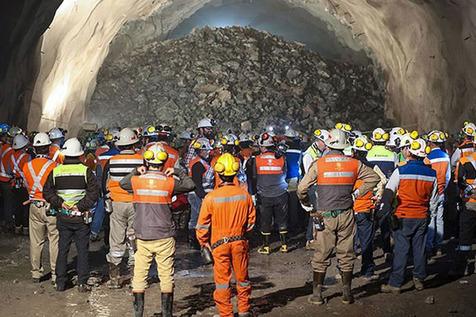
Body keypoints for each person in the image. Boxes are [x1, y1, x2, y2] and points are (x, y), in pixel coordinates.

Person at [297, 129, 380, 305]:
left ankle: (317, 295)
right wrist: (356, 194)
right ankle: (347, 293)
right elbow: (373, 178)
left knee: (322, 254)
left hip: (325, 216)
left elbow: (301, 188)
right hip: (346, 214)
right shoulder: (354, 164)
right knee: (346, 254)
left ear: (328, 144)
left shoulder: (319, 164)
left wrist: (308, 205)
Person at [119, 143, 194, 317]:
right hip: (164, 235)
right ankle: (167, 314)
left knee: (139, 275)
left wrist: (136, 171)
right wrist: (178, 172)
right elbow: (190, 185)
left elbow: (123, 184)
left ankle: (138, 314)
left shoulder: (136, 181)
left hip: (143, 235)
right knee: (166, 275)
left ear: (146, 161)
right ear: (164, 162)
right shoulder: (169, 182)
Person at [196, 153, 256, 317]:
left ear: (218, 173)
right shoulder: (244, 195)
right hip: (240, 243)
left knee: (222, 283)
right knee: (242, 278)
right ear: (235, 173)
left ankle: (226, 314)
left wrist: (203, 242)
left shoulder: (211, 197)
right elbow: (251, 223)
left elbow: (201, 225)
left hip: (218, 245)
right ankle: (243, 310)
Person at [380, 138, 438, 293]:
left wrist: (383, 211)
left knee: (401, 250)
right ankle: (419, 279)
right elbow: (433, 200)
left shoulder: (401, 170)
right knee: (419, 249)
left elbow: (389, 192)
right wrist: (429, 215)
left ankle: (395, 284)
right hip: (422, 216)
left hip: (403, 216)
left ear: (410, 152)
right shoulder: (432, 174)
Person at [43, 138, 99, 292]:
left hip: (63, 216)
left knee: (63, 249)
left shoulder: (55, 171)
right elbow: (94, 193)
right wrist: (80, 206)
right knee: (82, 250)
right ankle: (82, 282)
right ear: (80, 154)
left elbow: (47, 192)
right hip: (80, 217)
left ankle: (60, 282)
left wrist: (60, 203)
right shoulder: (86, 171)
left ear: (64, 154)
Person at [103, 128, 144, 289]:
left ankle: (115, 278)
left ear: (119, 145)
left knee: (116, 239)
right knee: (134, 238)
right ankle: (135, 278)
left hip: (117, 204)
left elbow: (104, 183)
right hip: (136, 203)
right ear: (134, 143)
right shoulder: (141, 160)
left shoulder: (112, 161)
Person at [22, 132, 58, 284]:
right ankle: (56, 274)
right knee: (54, 239)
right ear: (48, 148)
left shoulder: (26, 166)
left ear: (35, 149)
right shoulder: (55, 166)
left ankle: (36, 273)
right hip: (51, 206)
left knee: (36, 241)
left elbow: (27, 185)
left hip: (34, 206)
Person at [247, 132, 289, 254]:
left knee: (266, 220)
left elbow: (254, 177)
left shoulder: (257, 159)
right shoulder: (282, 158)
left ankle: (266, 246)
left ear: (262, 146)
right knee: (282, 220)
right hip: (281, 193)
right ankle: (284, 245)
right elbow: (285, 173)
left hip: (264, 195)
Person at [351, 136, 386, 280]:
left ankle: (344, 271)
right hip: (366, 209)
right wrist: (377, 198)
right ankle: (367, 271)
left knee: (346, 243)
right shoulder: (372, 167)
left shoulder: (349, 166)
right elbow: (382, 181)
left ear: (354, 151)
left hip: (349, 209)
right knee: (366, 243)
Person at [366, 127, 399, 261]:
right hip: (387, 192)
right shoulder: (392, 155)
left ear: (373, 140)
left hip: (371, 192)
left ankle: (366, 252)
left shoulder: (368, 154)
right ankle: (387, 250)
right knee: (385, 222)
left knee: (370, 224)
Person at [450, 135, 476, 276]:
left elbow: (460, 182)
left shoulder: (465, 160)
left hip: (469, 204)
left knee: (465, 237)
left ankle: (463, 268)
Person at [424, 130, 451, 258]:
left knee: (430, 219)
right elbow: (448, 176)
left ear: (431, 142)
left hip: (431, 193)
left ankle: (429, 246)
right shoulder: (446, 156)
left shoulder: (428, 158)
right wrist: (443, 189)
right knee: (440, 219)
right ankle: (439, 245)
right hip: (442, 191)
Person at [187, 137, 213, 249]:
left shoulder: (200, 161)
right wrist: (204, 197)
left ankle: (194, 240)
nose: (208, 153)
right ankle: (195, 241)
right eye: (206, 150)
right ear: (201, 150)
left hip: (197, 194)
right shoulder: (198, 164)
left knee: (195, 218)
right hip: (196, 195)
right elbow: (197, 184)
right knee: (198, 218)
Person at [11, 134, 32, 235]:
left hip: (15, 184)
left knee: (17, 205)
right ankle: (25, 227)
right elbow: (29, 171)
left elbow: (8, 170)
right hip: (24, 184)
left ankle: (17, 226)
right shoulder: (27, 157)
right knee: (25, 206)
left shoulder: (11, 156)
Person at [0, 125, 15, 231]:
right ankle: (8, 222)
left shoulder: (2, 147)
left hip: (1, 178)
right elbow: (12, 169)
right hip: (7, 180)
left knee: (3, 201)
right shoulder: (12, 152)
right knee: (8, 202)